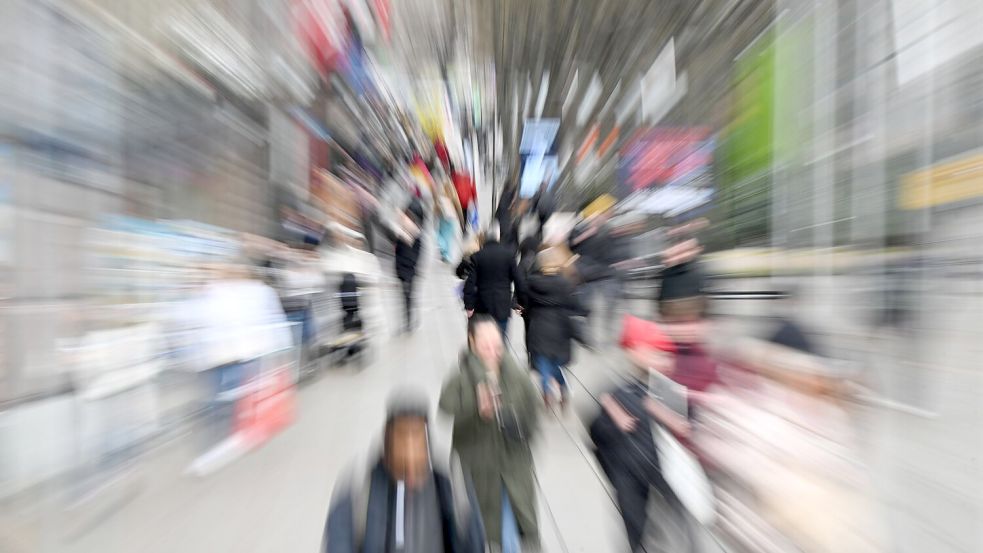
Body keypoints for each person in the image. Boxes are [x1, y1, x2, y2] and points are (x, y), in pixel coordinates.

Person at [322, 389, 486, 553]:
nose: (410, 452)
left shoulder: (450, 477)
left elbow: (474, 541)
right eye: (402, 436)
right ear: (388, 438)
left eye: (417, 437)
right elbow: (338, 542)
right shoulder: (358, 481)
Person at [589, 316, 694, 553]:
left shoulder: (667, 388)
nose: (663, 360)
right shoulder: (614, 390)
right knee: (637, 530)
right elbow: (597, 434)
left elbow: (684, 426)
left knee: (672, 527)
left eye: (663, 355)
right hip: (630, 474)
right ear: (635, 351)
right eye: (656, 353)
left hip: (662, 472)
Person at [439, 315, 542, 552]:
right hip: (479, 469)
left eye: (497, 344)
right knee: (483, 526)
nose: (493, 351)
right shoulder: (462, 376)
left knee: (509, 528)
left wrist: (512, 420)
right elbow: (445, 406)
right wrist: (475, 407)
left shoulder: (516, 374)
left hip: (513, 465)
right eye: (485, 345)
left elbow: (532, 416)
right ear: (472, 343)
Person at [522, 247, 588, 408]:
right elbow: (577, 307)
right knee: (557, 365)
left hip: (539, 328)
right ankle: (563, 390)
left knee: (543, 365)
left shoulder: (531, 282)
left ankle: (547, 393)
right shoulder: (566, 284)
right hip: (560, 330)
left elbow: (527, 307)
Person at [463, 225, 525, 338]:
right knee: (501, 338)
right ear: (498, 238)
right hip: (502, 306)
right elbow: (519, 280)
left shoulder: (477, 257)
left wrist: (469, 305)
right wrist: (521, 301)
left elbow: (470, 283)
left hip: (483, 306)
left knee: (484, 338)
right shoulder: (509, 255)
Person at [394, 199, 425, 332]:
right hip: (401, 268)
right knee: (404, 297)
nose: (408, 218)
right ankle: (409, 319)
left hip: (410, 270)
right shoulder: (402, 231)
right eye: (407, 214)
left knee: (408, 295)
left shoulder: (417, 236)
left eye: (411, 216)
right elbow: (397, 250)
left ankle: (409, 322)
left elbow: (417, 255)